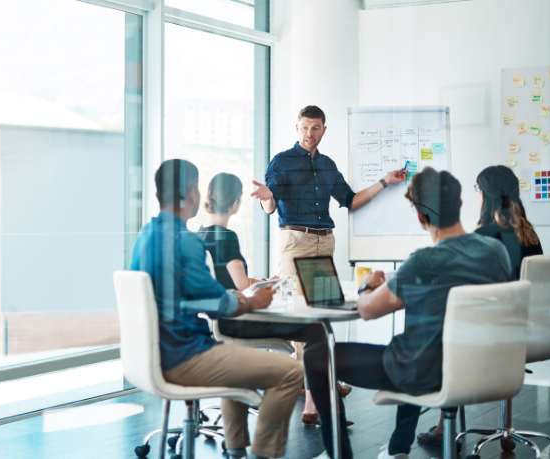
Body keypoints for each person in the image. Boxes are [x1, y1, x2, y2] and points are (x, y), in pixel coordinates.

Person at [304, 168, 513, 459]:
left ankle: (341, 453)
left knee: (315, 356)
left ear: (419, 216)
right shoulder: (496, 251)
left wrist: (367, 286)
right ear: (461, 205)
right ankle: (398, 448)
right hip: (482, 368)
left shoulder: (424, 262)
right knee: (416, 335)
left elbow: (367, 310)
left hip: (426, 373)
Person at [131, 159, 303, 459]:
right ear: (193, 194)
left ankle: (236, 449)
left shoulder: (146, 236)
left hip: (151, 354)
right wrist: (253, 300)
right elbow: (218, 305)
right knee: (291, 372)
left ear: (158, 195)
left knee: (237, 361)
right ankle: (264, 455)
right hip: (184, 355)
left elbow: (191, 298)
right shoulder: (183, 241)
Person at [197, 173, 350, 428]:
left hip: (214, 324)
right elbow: (242, 284)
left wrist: (263, 280)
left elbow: (231, 281)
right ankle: (320, 406)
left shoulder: (197, 235)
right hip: (237, 322)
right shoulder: (226, 237)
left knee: (314, 329)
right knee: (318, 330)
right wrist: (274, 281)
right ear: (235, 204)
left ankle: (321, 400)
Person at [416, 164, 544, 445]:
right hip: (528, 329)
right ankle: (489, 426)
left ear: (484, 195)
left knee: (445, 333)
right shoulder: (530, 234)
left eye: (477, 190)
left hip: (495, 330)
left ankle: (441, 429)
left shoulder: (485, 237)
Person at [250, 105, 407, 279]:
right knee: (291, 299)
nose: (309, 133)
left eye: (315, 128)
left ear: (323, 130)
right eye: (305, 127)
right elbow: (269, 207)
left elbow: (352, 201)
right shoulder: (282, 160)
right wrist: (267, 197)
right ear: (297, 128)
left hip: (325, 243)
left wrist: (386, 181)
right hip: (296, 242)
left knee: (323, 301)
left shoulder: (328, 165)